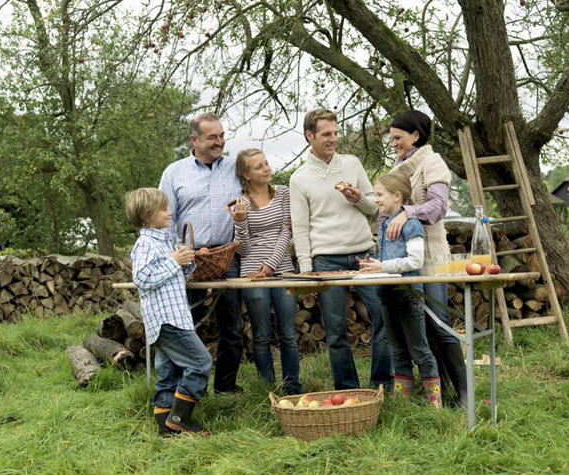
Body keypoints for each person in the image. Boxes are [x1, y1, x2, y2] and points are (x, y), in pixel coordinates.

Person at [289, 108, 393, 391]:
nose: (334, 139)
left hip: (364, 254)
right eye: (326, 134)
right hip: (326, 259)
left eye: (335, 133)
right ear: (310, 136)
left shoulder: (352, 164)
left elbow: (374, 209)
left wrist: (359, 198)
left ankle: (383, 385)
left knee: (384, 318)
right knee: (335, 330)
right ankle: (349, 390)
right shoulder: (299, 178)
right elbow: (300, 227)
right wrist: (307, 268)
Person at [385, 109, 468, 406]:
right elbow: (386, 206)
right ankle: (443, 393)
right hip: (405, 259)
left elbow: (437, 208)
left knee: (439, 322)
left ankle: (465, 395)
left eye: (398, 138)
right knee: (419, 325)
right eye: (391, 138)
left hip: (432, 257)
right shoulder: (397, 167)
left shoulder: (432, 163)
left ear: (416, 136)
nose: (393, 143)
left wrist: (407, 212)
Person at [159, 113, 244, 394]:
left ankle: (226, 386)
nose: (219, 142)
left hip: (225, 254)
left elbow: (261, 193)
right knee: (186, 323)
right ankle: (191, 387)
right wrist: (178, 253)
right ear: (194, 139)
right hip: (188, 256)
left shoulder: (235, 167)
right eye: (212, 137)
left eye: (221, 135)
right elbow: (165, 218)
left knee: (231, 324)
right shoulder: (174, 172)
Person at [125, 188, 213, 436]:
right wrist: (174, 261)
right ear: (147, 215)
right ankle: (179, 418)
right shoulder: (145, 245)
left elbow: (173, 277)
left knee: (169, 372)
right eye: (164, 209)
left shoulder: (164, 242)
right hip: (167, 319)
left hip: (173, 316)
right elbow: (142, 278)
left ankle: (165, 427)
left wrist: (187, 261)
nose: (170, 212)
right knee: (201, 363)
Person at [358, 174, 441, 407]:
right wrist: (371, 265)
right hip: (386, 295)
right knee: (397, 351)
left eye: (380, 195)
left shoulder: (412, 224)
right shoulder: (384, 224)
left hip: (408, 295)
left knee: (419, 350)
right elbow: (388, 260)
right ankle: (402, 405)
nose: (376, 200)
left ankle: (436, 406)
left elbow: (414, 261)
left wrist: (382, 266)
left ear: (397, 196)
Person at [228, 149, 301, 395]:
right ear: (246, 175)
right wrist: (240, 222)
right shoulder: (241, 203)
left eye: (266, 163)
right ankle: (267, 390)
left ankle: (292, 388)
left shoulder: (283, 194)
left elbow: (286, 232)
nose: (266, 169)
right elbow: (243, 248)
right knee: (260, 335)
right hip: (251, 272)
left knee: (288, 333)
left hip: (283, 270)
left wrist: (271, 263)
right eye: (259, 167)